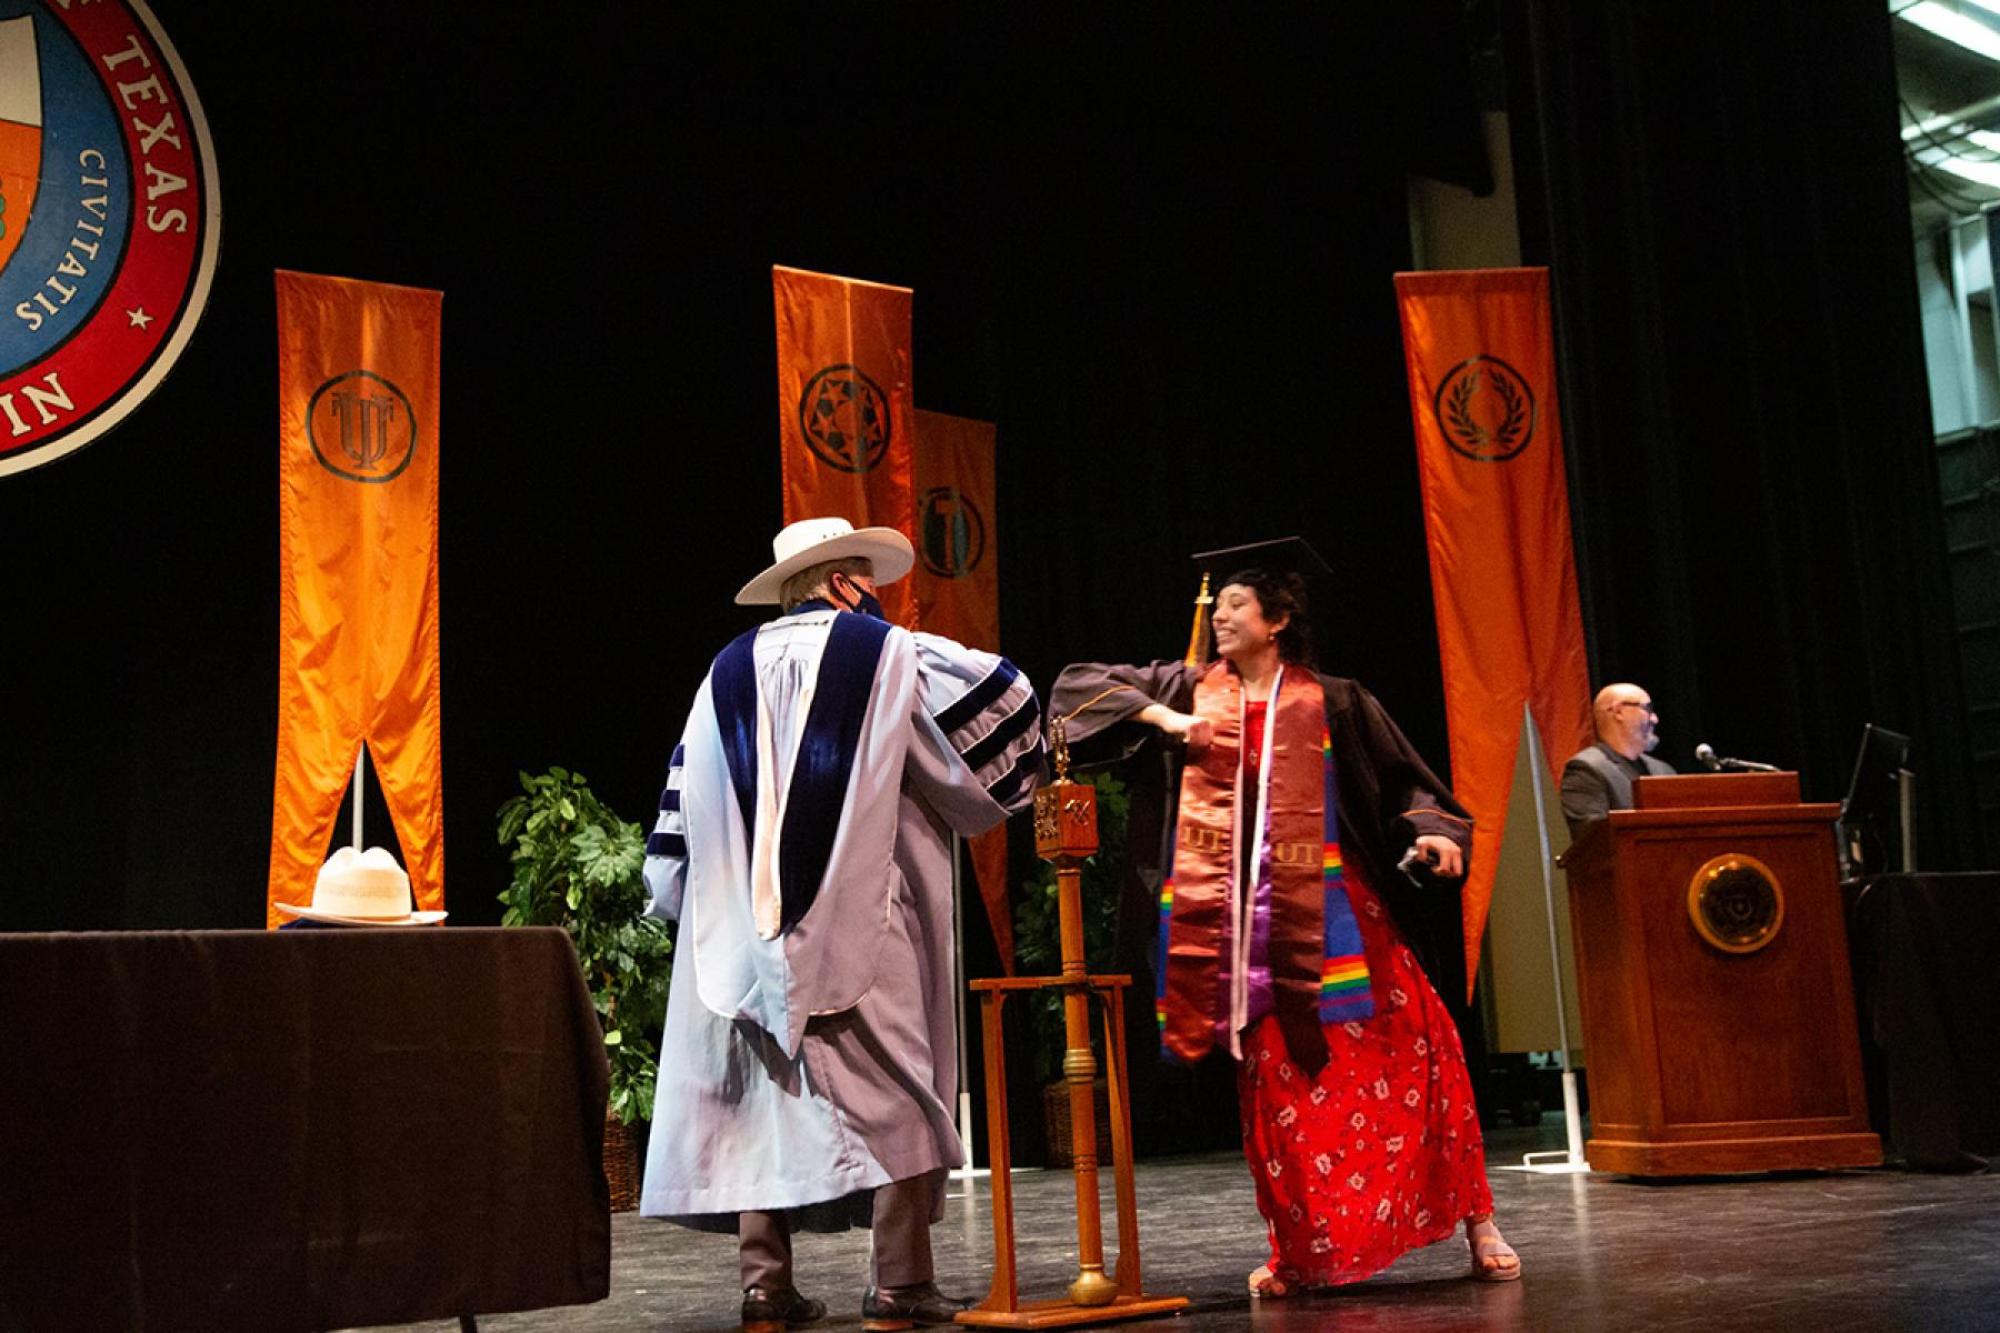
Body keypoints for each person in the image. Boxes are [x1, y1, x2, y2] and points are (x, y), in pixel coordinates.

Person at [1052, 551, 1519, 1294]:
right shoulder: (1188, 688)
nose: (1224, 614)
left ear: (1279, 620)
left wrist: (1432, 830)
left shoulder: (1333, 699)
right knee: (1279, 1082)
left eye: (1240, 603)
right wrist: (1164, 716)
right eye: (1222, 603)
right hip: (1243, 930)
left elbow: (1407, 782)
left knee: (1419, 1052)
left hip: (1344, 918)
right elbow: (1073, 687)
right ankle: (1300, 1245)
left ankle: (1477, 1218)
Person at [639, 516, 1041, 1332]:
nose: (880, 602)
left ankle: (766, 1287)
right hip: (867, 915)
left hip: (738, 933)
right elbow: (1005, 712)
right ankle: (899, 1282)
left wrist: (694, 904)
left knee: (757, 1098)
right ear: (839, 583)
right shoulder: (891, 656)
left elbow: (679, 815)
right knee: (893, 1086)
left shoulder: (720, 673)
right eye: (869, 583)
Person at [1559, 683, 1675, 838]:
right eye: (1647, 708)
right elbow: (1592, 841)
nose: (1654, 719)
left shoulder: (1663, 771)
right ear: (1618, 711)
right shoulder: (1586, 770)